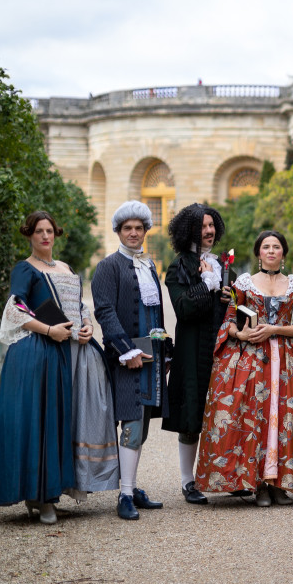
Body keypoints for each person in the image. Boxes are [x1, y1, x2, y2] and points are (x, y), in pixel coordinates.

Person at [0, 212, 118, 524]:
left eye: (49, 231)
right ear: (29, 235)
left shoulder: (66, 268)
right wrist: (49, 331)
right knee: (44, 423)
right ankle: (41, 497)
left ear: (55, 234)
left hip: (72, 351)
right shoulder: (24, 269)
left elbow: (80, 306)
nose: (45, 236)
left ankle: (52, 491)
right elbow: (15, 308)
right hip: (42, 352)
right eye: (38, 231)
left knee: (66, 423)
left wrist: (86, 325)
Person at [195, 231, 293, 506]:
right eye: (266, 247)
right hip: (252, 360)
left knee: (283, 417)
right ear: (258, 253)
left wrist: (275, 329)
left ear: (283, 254)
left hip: (287, 360)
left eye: (277, 247)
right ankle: (257, 485)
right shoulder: (244, 283)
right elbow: (229, 321)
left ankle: (278, 484)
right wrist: (241, 335)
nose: (271, 251)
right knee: (255, 416)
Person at [92, 201, 170, 520]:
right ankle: (125, 496)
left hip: (151, 354)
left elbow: (156, 312)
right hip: (125, 356)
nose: (134, 233)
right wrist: (126, 349)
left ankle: (132, 484)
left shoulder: (149, 266)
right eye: (128, 228)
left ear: (146, 231)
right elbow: (105, 311)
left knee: (144, 424)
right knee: (132, 422)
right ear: (118, 232)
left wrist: (166, 349)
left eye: (139, 228)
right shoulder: (107, 266)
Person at [162, 202, 229, 505]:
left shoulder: (223, 264)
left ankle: (224, 475)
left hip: (223, 348)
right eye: (202, 226)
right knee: (192, 413)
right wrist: (207, 284)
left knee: (224, 412)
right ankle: (188, 481)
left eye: (212, 225)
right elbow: (184, 309)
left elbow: (235, 309)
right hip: (192, 349)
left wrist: (230, 297)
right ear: (189, 230)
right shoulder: (179, 267)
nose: (209, 231)